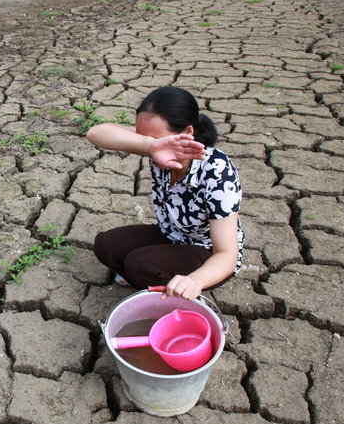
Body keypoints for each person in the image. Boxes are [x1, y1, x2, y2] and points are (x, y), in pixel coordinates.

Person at [87, 86, 244, 299]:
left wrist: (195, 280)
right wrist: (149, 145)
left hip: (205, 251)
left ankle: (176, 294)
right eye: (145, 137)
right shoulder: (156, 144)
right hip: (171, 234)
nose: (154, 147)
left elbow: (227, 256)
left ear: (187, 133)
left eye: (157, 139)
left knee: (140, 264)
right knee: (106, 245)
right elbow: (96, 133)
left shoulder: (217, 172)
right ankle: (152, 281)